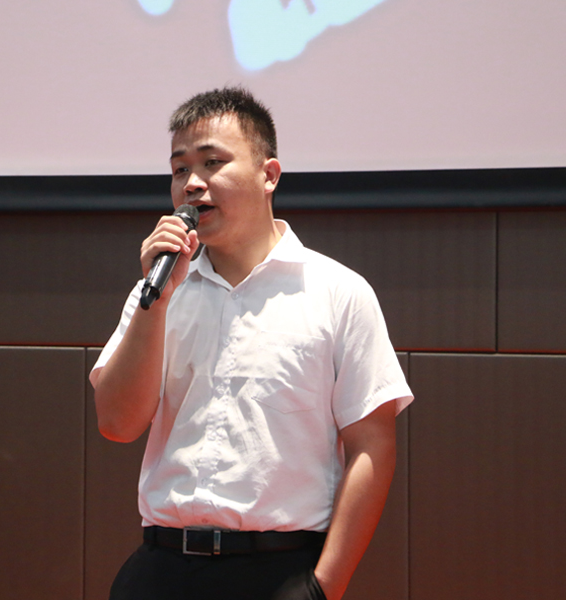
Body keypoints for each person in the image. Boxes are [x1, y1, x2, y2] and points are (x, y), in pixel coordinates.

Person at [90, 87, 413, 600]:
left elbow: (372, 447)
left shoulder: (337, 292)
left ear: (269, 175)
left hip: (279, 572)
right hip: (160, 568)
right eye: (179, 169)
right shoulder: (158, 291)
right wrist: (157, 303)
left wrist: (324, 587)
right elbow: (117, 423)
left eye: (212, 163)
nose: (192, 184)